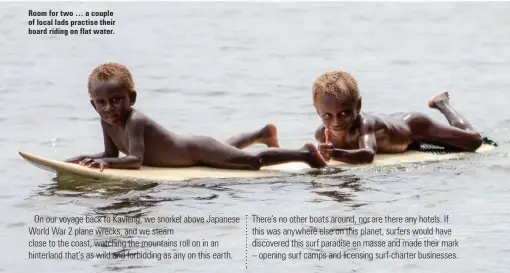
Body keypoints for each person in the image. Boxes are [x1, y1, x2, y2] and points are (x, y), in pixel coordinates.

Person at [65, 62, 327, 171]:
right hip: (194, 150)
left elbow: (134, 160)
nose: (109, 107)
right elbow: (110, 153)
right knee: (225, 149)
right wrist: (84, 160)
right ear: (93, 105)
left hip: (195, 149)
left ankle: (304, 153)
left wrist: (108, 165)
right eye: (102, 103)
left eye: (116, 100)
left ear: (131, 99)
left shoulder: (135, 120)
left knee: (252, 162)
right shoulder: (106, 121)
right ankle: (262, 134)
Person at [312, 70, 485, 164]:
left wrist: (335, 153)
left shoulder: (365, 124)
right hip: (390, 125)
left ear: (358, 105)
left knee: (473, 141)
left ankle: (442, 104)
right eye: (327, 115)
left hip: (412, 126)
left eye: (344, 113)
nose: (336, 122)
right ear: (317, 111)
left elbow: (367, 155)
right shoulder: (321, 134)